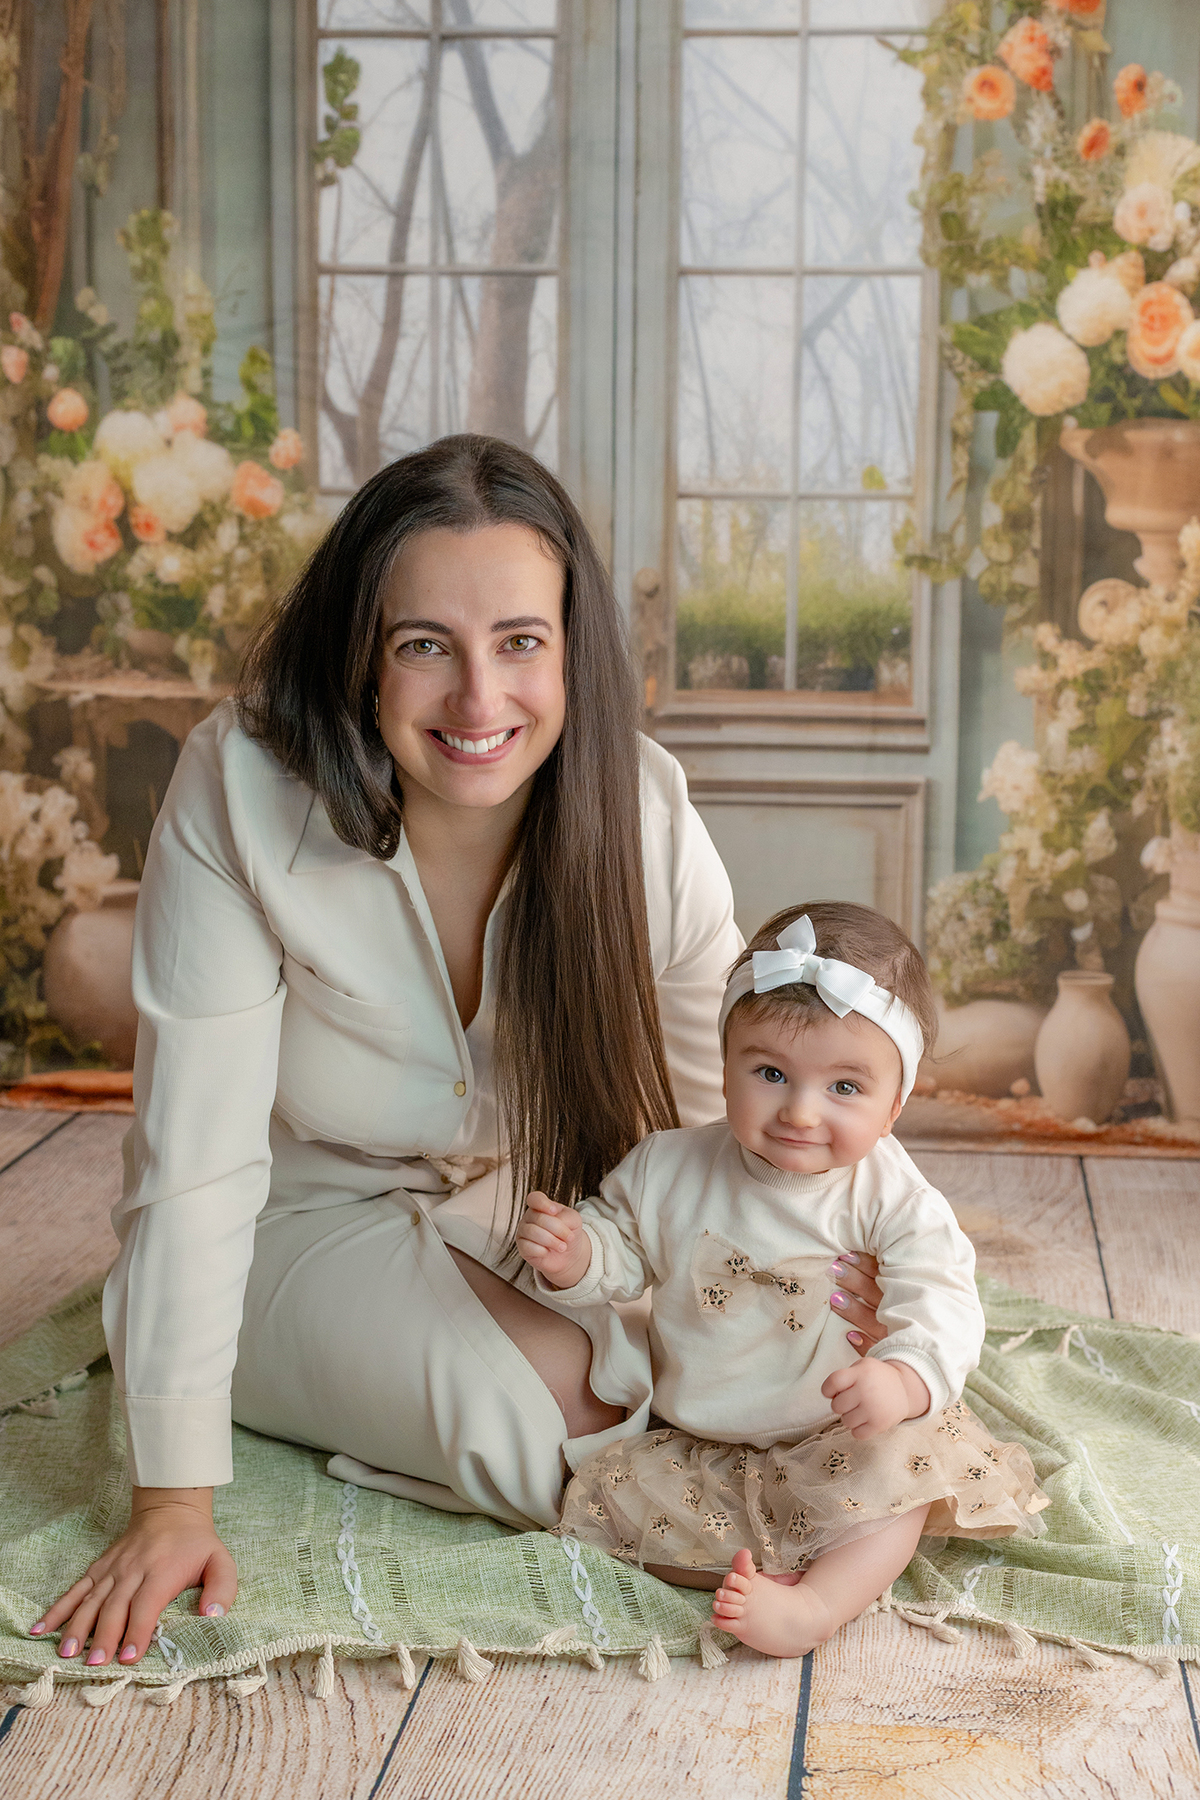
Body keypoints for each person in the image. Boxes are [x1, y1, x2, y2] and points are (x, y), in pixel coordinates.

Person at [27, 436, 889, 1671]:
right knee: (563, 1428)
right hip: (299, 1209)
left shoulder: (637, 807)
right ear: (361, 654)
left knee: (770, 1382)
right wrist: (171, 1502)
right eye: (425, 644)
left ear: (573, 653)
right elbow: (196, 1162)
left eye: (520, 644)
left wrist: (822, 1282)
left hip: (550, 1209)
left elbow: (726, 1116)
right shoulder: (241, 787)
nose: (479, 701)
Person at [517, 902, 1050, 1659]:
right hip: (699, 1438)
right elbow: (623, 1248)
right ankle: (764, 1565)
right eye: (770, 1073)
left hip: (840, 1432)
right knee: (609, 1501)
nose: (800, 1111)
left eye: (844, 1088)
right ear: (726, 1063)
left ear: (895, 1104)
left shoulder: (889, 1196)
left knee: (905, 1474)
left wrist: (902, 1379)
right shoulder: (670, 1167)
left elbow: (942, 1298)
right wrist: (578, 1256)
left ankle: (818, 1605)